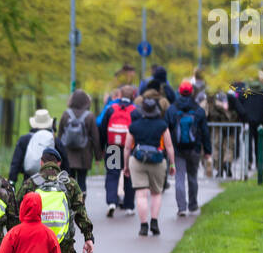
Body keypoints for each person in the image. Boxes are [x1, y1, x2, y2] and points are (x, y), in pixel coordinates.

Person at [123, 96, 176, 237]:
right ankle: (154, 221)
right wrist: (172, 164)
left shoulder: (134, 126)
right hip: (158, 162)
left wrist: (125, 166)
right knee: (156, 193)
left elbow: (127, 148)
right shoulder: (162, 125)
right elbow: (169, 146)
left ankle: (143, 225)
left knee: (141, 194)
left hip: (138, 161)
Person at [165, 80, 212, 217]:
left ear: (179, 91)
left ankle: (181, 207)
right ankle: (192, 205)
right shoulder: (198, 110)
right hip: (194, 149)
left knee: (179, 177)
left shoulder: (172, 110)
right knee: (192, 177)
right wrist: (207, 151)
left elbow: (166, 129)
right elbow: (205, 132)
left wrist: (166, 149)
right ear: (192, 92)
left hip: (177, 149)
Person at [100, 85, 138, 217]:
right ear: (133, 96)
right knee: (129, 175)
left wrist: (102, 147)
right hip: (129, 148)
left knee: (112, 174)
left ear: (120, 95)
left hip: (113, 146)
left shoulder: (111, 109)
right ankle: (129, 206)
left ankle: (111, 202)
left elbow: (103, 129)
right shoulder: (135, 111)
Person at [57, 89, 101, 189]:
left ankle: (70, 200)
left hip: (68, 154)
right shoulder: (89, 116)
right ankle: (81, 201)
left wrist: (58, 154)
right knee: (82, 180)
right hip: (84, 155)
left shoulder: (66, 114)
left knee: (69, 180)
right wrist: (97, 156)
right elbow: (95, 137)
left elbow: (59, 134)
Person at [10, 109, 59, 187]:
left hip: (29, 180)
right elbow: (64, 159)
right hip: (51, 181)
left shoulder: (24, 139)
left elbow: (16, 162)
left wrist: (12, 181)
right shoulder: (53, 139)